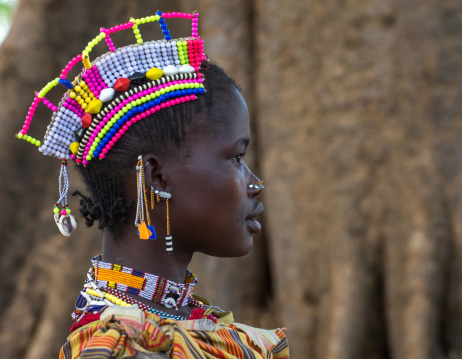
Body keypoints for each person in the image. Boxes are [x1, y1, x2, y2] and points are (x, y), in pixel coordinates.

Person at [17, 11, 288, 359]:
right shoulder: (122, 346)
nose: (255, 184)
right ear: (156, 175)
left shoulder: (193, 325)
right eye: (236, 157)